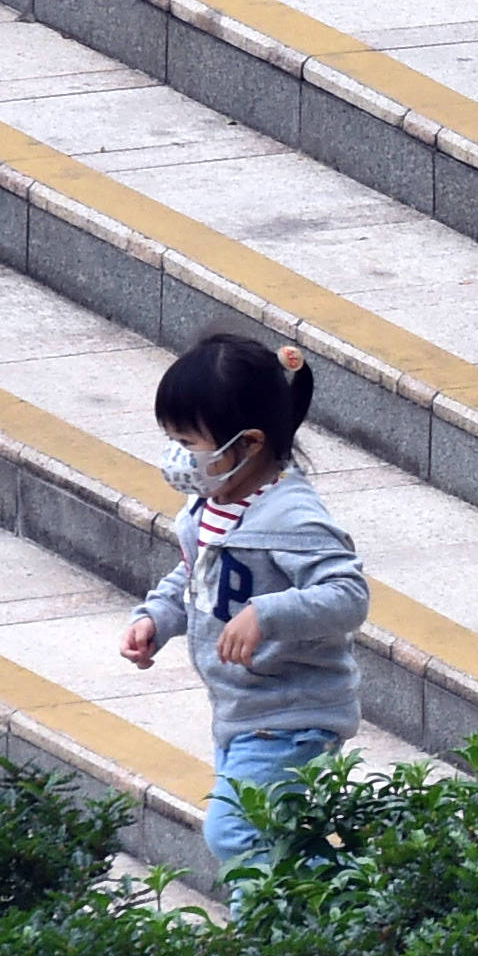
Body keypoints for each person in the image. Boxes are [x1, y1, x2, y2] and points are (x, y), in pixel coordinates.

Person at [119, 331, 368, 875]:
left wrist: (268, 612)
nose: (178, 458)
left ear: (249, 443)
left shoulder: (290, 517)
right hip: (239, 712)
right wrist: (157, 619)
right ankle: (326, 920)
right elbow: (195, 576)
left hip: (294, 716)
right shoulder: (208, 506)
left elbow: (348, 595)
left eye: (189, 443)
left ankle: (289, 934)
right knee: (277, 845)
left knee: (237, 834)